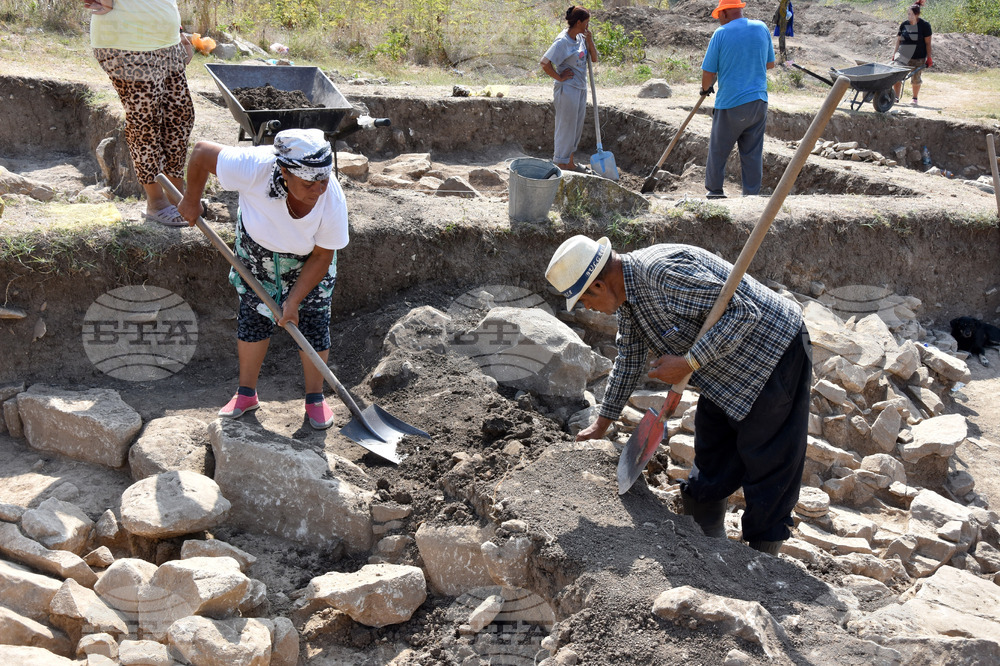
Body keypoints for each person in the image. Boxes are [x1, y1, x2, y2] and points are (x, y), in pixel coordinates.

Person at [545, 236, 812, 555]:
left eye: (585, 301)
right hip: (722, 367)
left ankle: (761, 560)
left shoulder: (663, 274)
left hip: (773, 354)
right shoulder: (630, 297)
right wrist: (603, 421)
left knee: (769, 458)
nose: (589, 309)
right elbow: (630, 358)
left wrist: (688, 362)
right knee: (712, 450)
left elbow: (744, 312)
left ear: (600, 286)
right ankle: (705, 541)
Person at [177, 129, 349, 429]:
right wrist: (192, 200)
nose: (318, 189)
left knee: (314, 322)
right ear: (284, 171)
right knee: (253, 319)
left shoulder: (331, 198)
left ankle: (315, 398)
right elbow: (202, 152)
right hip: (257, 254)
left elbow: (322, 256)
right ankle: (246, 394)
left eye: (323, 180)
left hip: (308, 261)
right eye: (309, 183)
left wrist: (294, 300)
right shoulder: (253, 165)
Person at [88, 0, 195, 226]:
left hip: (168, 43)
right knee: (145, 122)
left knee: (181, 116)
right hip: (127, 43)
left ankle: (176, 197)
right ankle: (156, 202)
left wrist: (178, 30)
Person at [701, 0, 775, 199]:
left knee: (719, 149)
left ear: (724, 13)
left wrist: (704, 90)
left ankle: (715, 190)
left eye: (719, 17)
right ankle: (751, 195)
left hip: (731, 103)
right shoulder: (762, 28)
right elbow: (770, 64)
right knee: (752, 153)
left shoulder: (721, 34)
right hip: (758, 102)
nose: (719, 22)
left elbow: (708, 72)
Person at [540, 6, 598, 174]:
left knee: (575, 128)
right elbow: (544, 63)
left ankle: (570, 163)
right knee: (565, 128)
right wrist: (559, 77)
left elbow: (593, 59)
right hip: (567, 90)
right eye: (586, 22)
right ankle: (559, 164)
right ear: (578, 22)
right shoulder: (562, 41)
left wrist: (590, 41)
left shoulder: (581, 37)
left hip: (580, 88)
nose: (588, 25)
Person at [892, 2, 932, 106]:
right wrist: (894, 54)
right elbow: (899, 40)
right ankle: (895, 97)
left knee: (916, 79)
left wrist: (929, 58)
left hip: (918, 57)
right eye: (908, 14)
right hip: (903, 55)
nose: (909, 16)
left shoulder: (925, 26)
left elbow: (928, 43)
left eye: (911, 14)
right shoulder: (904, 24)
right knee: (897, 75)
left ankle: (914, 98)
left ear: (917, 14)